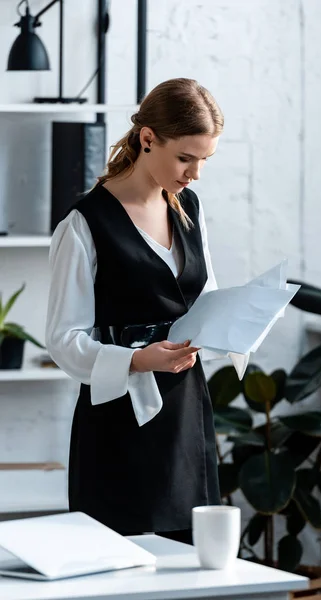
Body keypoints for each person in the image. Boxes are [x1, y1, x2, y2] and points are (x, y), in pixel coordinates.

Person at [45, 78, 247, 545]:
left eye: (204, 160)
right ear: (148, 138)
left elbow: (206, 301)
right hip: (116, 425)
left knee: (190, 566)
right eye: (185, 158)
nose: (194, 174)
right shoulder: (84, 224)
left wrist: (240, 320)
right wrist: (138, 359)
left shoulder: (189, 208)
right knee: (116, 566)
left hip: (186, 417)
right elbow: (64, 339)